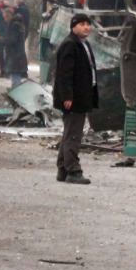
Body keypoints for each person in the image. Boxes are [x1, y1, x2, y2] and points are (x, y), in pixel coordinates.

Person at [53, 13, 97, 185]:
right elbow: (64, 74)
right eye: (82, 24)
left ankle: (63, 169)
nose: (86, 27)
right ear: (73, 27)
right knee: (73, 136)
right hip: (74, 99)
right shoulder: (70, 45)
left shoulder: (82, 44)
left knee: (68, 133)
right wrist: (67, 97)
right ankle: (73, 171)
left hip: (80, 97)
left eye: (88, 24)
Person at [0, 6, 29, 87]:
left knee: (15, 78)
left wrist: (1, 40)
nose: (4, 19)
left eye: (4, 17)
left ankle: (17, 95)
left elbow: (12, 40)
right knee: (15, 77)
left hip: (15, 55)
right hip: (18, 55)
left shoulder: (14, 25)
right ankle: (15, 95)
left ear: (8, 16)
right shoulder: (19, 24)